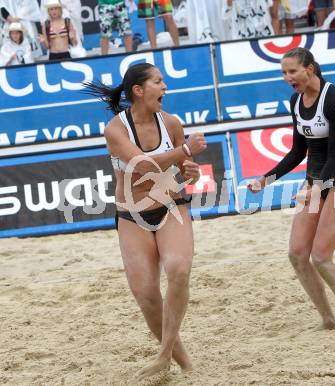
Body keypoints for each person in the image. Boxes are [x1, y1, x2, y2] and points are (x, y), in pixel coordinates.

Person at [83, 63, 207, 379]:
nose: (165, 87)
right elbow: (141, 166)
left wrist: (189, 168)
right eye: (158, 81)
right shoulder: (116, 128)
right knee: (147, 295)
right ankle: (181, 361)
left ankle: (166, 356)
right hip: (131, 215)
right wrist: (184, 150)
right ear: (139, 90)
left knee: (178, 269)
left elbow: (184, 169)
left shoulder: (171, 123)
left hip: (171, 205)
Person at [248, 47, 335, 330]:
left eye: (292, 71)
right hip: (313, 183)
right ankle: (327, 318)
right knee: (297, 254)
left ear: (309, 69)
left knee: (322, 256)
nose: (288, 78)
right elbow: (297, 151)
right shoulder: (296, 100)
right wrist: (266, 179)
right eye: (284, 73)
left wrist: (318, 188)